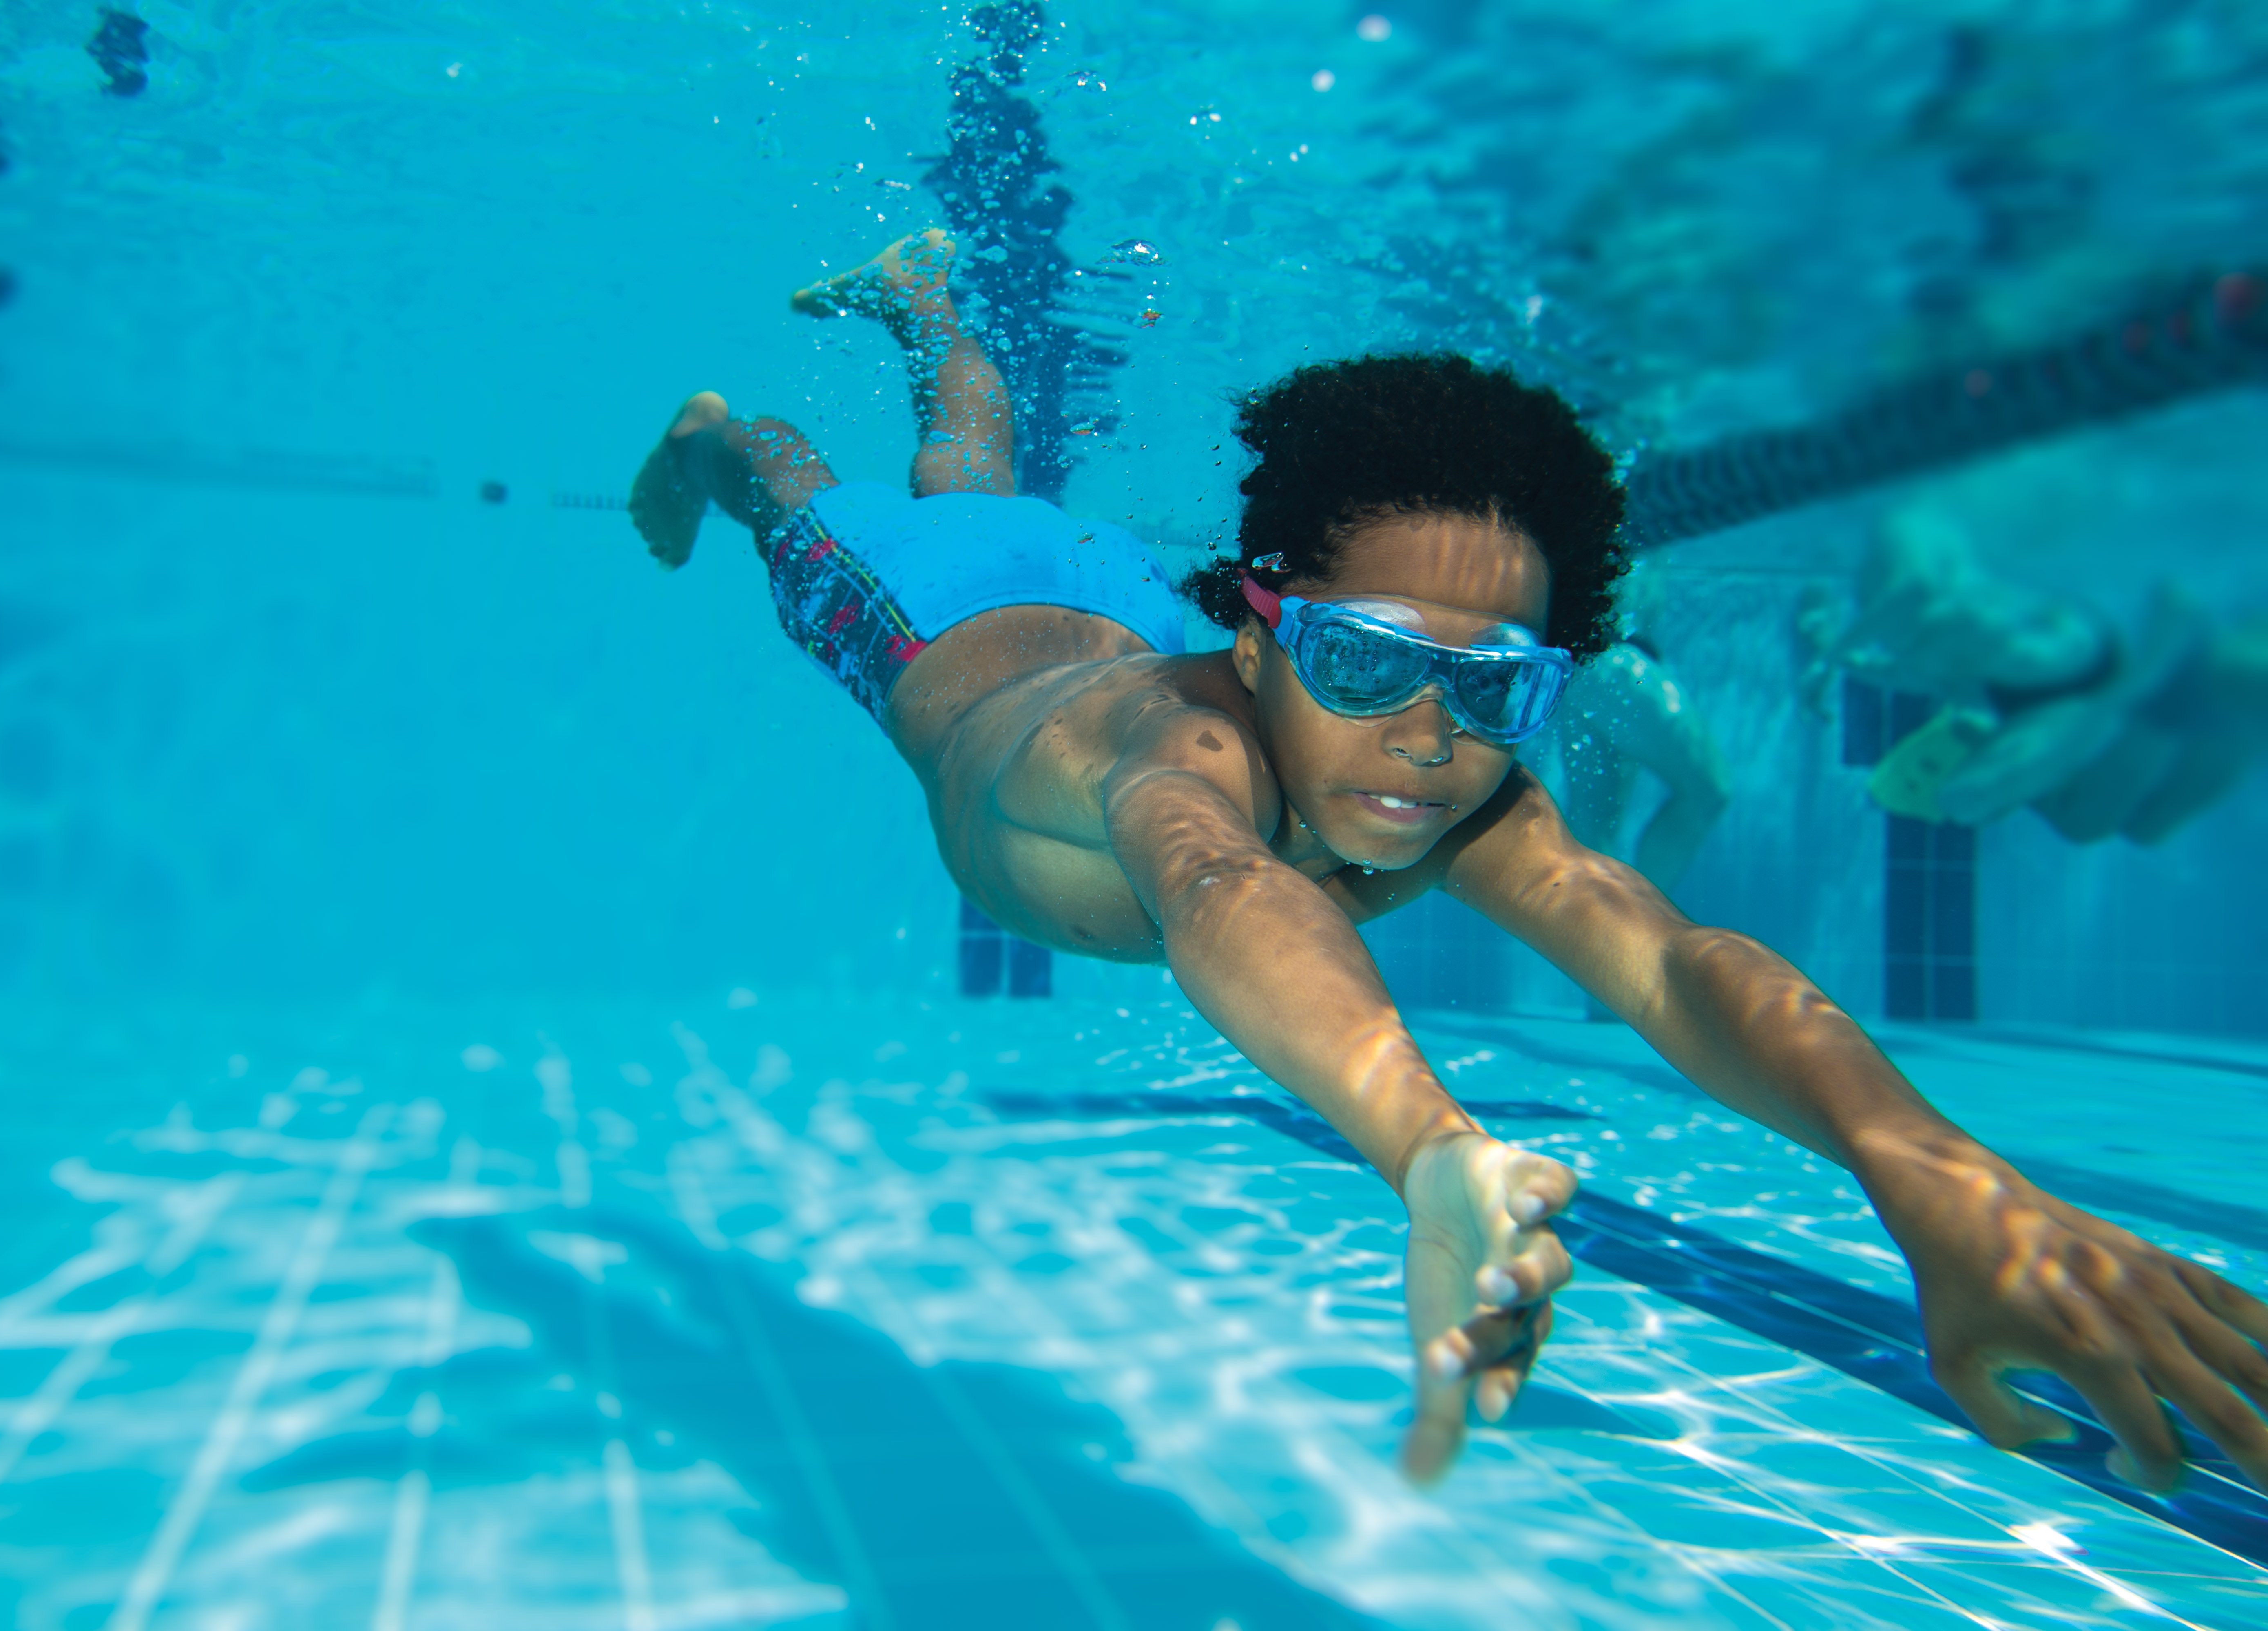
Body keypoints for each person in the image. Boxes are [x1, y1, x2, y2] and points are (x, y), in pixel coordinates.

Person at [629, 231, 2268, 1493]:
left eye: (1496, 688)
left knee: (979, 468)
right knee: (805, 500)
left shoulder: (1443, 763)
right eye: (1363, 666)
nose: (1427, 737)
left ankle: (928, 303)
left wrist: (1938, 1179)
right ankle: (719, 431)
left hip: (1101, 587)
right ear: (1259, 640)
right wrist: (1432, 1150)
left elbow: (1665, 953)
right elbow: (1222, 890)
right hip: (935, 619)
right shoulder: (1178, 758)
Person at [1809, 505, 2268, 842]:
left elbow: (1910, 625)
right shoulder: (1975, 637)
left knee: (2107, 822)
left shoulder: (1974, 637)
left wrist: (1832, 654)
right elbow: (1912, 619)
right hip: (2099, 683)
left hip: (2090, 684)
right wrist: (1833, 655)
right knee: (2107, 822)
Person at [1549, 562, 1731, 894]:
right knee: (1708, 792)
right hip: (1609, 661)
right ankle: (1644, 913)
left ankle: (1601, 922)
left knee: (1594, 835)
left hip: (1584, 664)